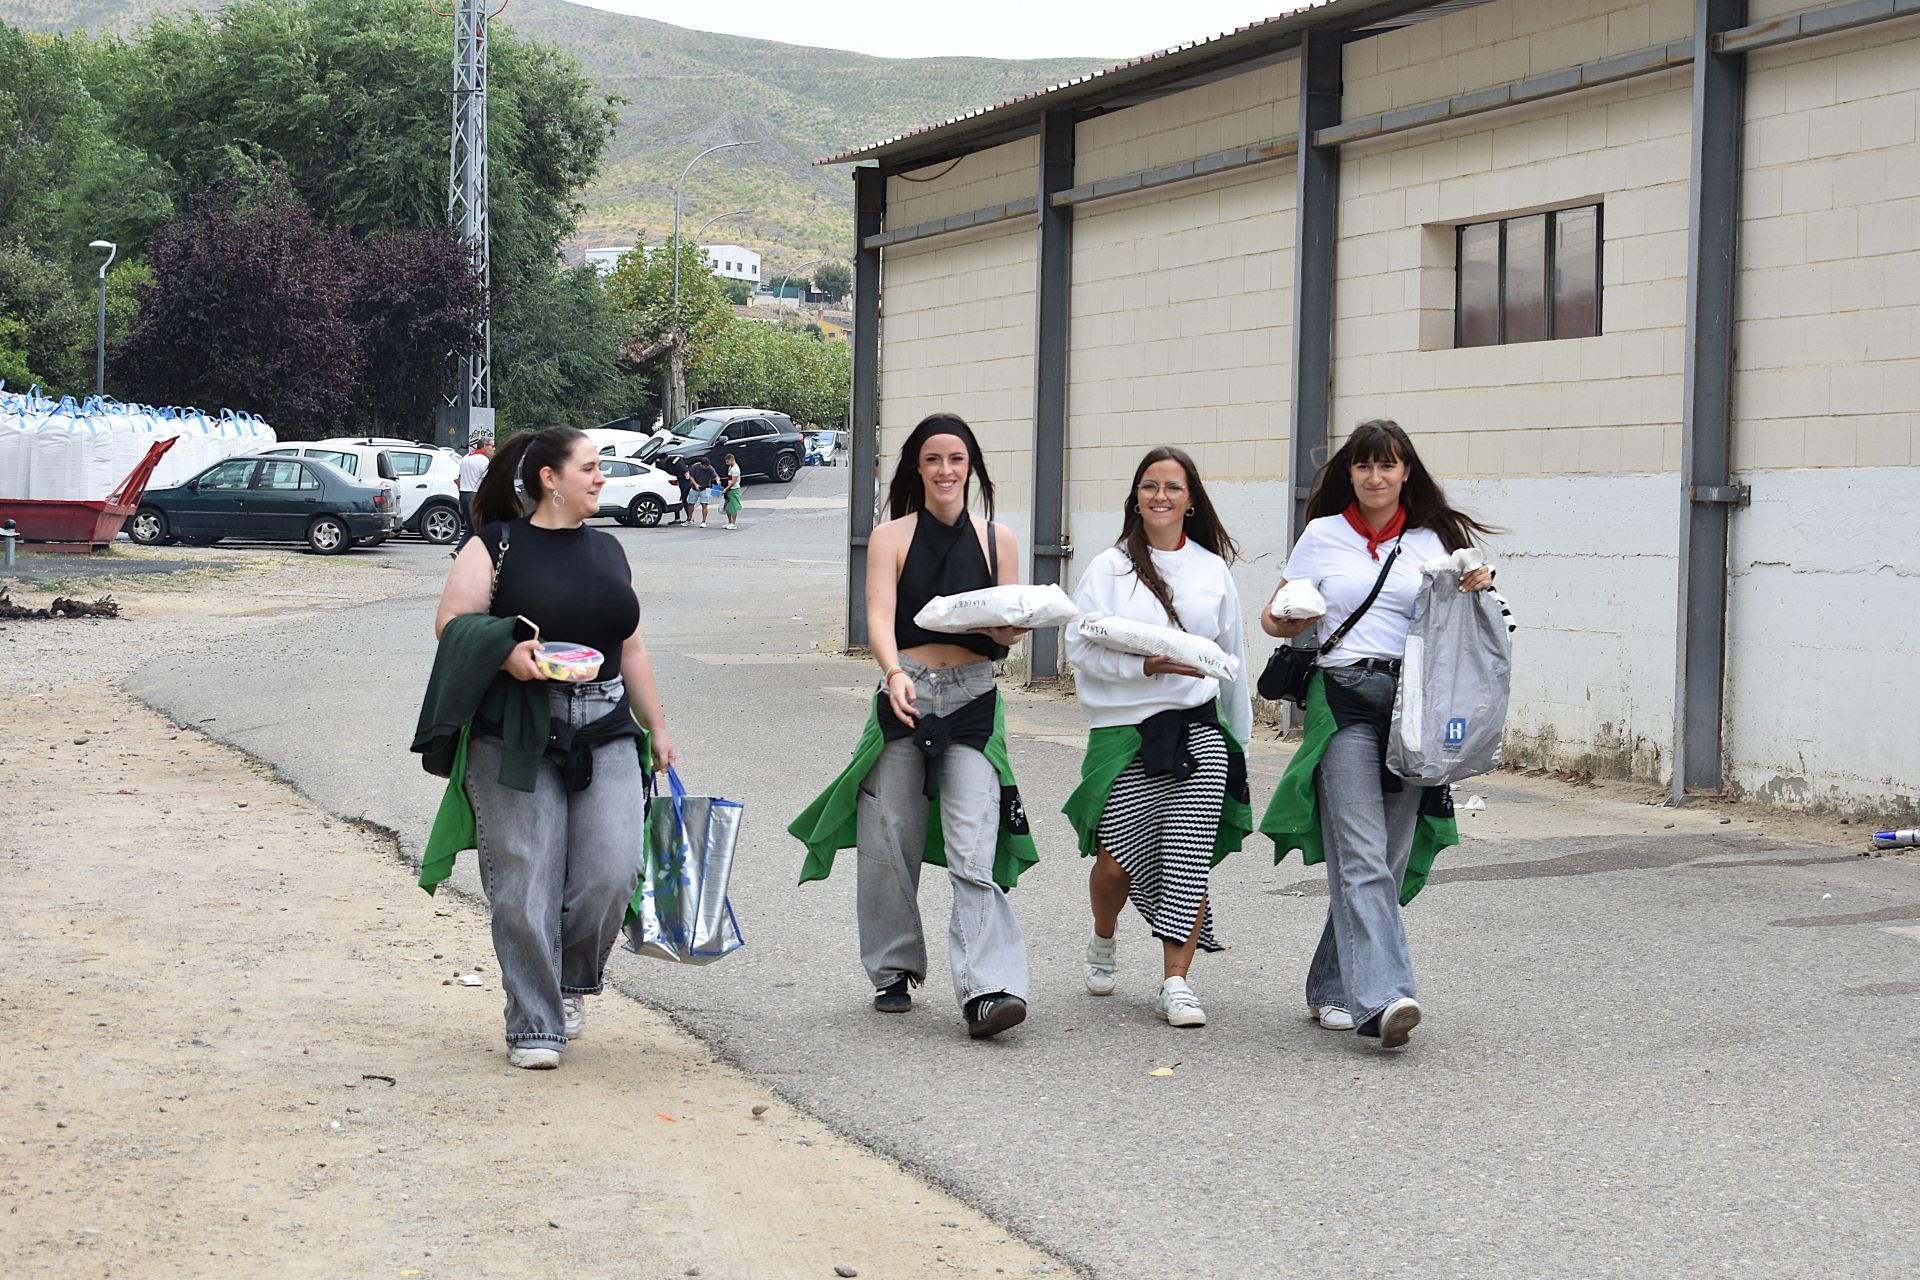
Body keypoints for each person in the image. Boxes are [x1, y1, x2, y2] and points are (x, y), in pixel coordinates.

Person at [415, 426, 676, 1070]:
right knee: (526, 878)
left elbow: (632, 644)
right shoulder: (494, 543)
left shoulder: (611, 550)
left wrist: (659, 728)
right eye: (589, 468)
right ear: (549, 479)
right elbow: (451, 623)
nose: (600, 478)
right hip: (518, 726)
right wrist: (508, 653)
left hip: (607, 720)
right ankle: (534, 1021)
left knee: (611, 872)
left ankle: (567, 982)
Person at [788, 413, 1036, 1040]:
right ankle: (893, 969)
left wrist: (1018, 627)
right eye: (933, 459)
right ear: (916, 468)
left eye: (956, 459)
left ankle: (988, 990)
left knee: (974, 845)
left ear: (972, 466)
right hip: (908, 694)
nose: (946, 470)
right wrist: (892, 671)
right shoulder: (890, 537)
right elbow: (877, 615)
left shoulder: (998, 538)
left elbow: (1004, 626)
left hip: (975, 699)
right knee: (889, 837)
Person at [1257, 419, 1495, 1051]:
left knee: (1385, 860)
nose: (1375, 477)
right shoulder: (1322, 535)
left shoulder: (1433, 540)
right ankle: (1385, 998)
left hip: (1411, 705)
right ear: (1351, 474)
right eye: (1364, 466)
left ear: (1406, 472)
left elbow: (1477, 622)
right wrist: (1290, 615)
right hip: (1341, 698)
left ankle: (1331, 986)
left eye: (1387, 466)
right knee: (1361, 853)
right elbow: (1273, 617)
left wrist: (1480, 588)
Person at [1063, 447, 1253, 1029]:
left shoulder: (1211, 570)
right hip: (1123, 731)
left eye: (1173, 487)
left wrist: (1237, 738)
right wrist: (1144, 668)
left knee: (1186, 861)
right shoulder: (1108, 568)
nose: (1161, 496)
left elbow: (1233, 659)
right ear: (1136, 497)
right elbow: (1079, 648)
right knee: (1116, 861)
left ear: (1191, 499)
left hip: (1198, 731)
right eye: (1150, 486)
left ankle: (1177, 982)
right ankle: (1103, 934)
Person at [455, 435, 492, 551]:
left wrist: (460, 503)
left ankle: (459, 550)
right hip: (476, 496)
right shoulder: (483, 460)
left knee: (472, 527)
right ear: (484, 446)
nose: (494, 449)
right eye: (492, 446)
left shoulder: (466, 458)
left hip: (464, 495)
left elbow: (459, 480)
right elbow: (487, 482)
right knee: (481, 527)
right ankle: (482, 553)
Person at [689, 457, 719, 528]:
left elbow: (716, 476)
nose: (706, 468)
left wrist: (718, 481)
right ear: (701, 465)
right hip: (694, 488)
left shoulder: (710, 468)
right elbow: (691, 477)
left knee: (704, 505)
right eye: (705, 466)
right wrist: (695, 484)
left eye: (707, 466)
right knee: (691, 504)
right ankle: (689, 519)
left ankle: (704, 521)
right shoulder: (695, 467)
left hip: (705, 488)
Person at [721, 453, 743, 530]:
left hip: (734, 489)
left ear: (731, 460)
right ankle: (730, 522)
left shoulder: (735, 469)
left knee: (733, 506)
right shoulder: (731, 468)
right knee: (727, 506)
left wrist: (726, 489)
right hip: (730, 489)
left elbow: (733, 482)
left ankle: (733, 523)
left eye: (727, 462)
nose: (726, 464)